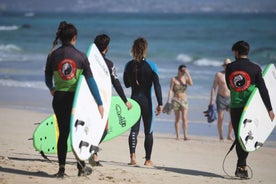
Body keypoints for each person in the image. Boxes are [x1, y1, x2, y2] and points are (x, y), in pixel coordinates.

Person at [45, 21, 104, 177]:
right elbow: (91, 82)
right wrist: (99, 102)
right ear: (74, 37)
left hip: (58, 99)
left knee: (63, 134)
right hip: (76, 102)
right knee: (78, 132)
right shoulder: (81, 56)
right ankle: (80, 168)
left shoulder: (53, 55)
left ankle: (61, 169)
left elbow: (47, 77)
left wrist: (52, 88)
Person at [225, 40, 275, 179]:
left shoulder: (230, 67)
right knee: (245, 137)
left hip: (235, 106)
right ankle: (242, 167)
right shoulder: (255, 68)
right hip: (252, 109)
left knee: (240, 137)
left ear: (236, 52)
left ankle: (241, 167)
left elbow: (229, 86)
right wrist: (269, 108)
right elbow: (263, 90)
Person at [89, 34, 133, 166]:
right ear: (106, 48)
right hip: (102, 102)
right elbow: (116, 83)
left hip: (86, 100)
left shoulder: (87, 61)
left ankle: (93, 153)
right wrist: (125, 100)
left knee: (91, 127)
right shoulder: (108, 64)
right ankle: (92, 151)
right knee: (103, 130)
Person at [123, 37, 163, 166]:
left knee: (134, 130)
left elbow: (127, 84)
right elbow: (157, 86)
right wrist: (160, 103)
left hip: (134, 101)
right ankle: (147, 160)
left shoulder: (128, 65)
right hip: (147, 102)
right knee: (148, 131)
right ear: (145, 49)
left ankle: (132, 157)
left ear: (133, 49)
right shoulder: (152, 66)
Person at [166, 64, 193, 141]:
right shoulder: (174, 79)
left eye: (184, 71)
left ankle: (185, 135)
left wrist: (188, 73)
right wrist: (168, 100)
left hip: (184, 100)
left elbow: (191, 84)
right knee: (177, 118)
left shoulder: (186, 78)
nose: (183, 72)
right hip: (175, 100)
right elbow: (171, 90)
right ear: (179, 71)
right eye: (182, 71)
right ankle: (178, 136)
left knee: (184, 118)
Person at [209, 58, 233, 141]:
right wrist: (211, 100)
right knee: (220, 117)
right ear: (224, 66)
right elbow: (213, 88)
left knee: (233, 118)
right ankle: (221, 136)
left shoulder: (233, 75)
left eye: (229, 65)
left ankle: (229, 135)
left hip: (231, 98)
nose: (227, 66)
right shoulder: (219, 74)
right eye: (226, 65)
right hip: (221, 98)